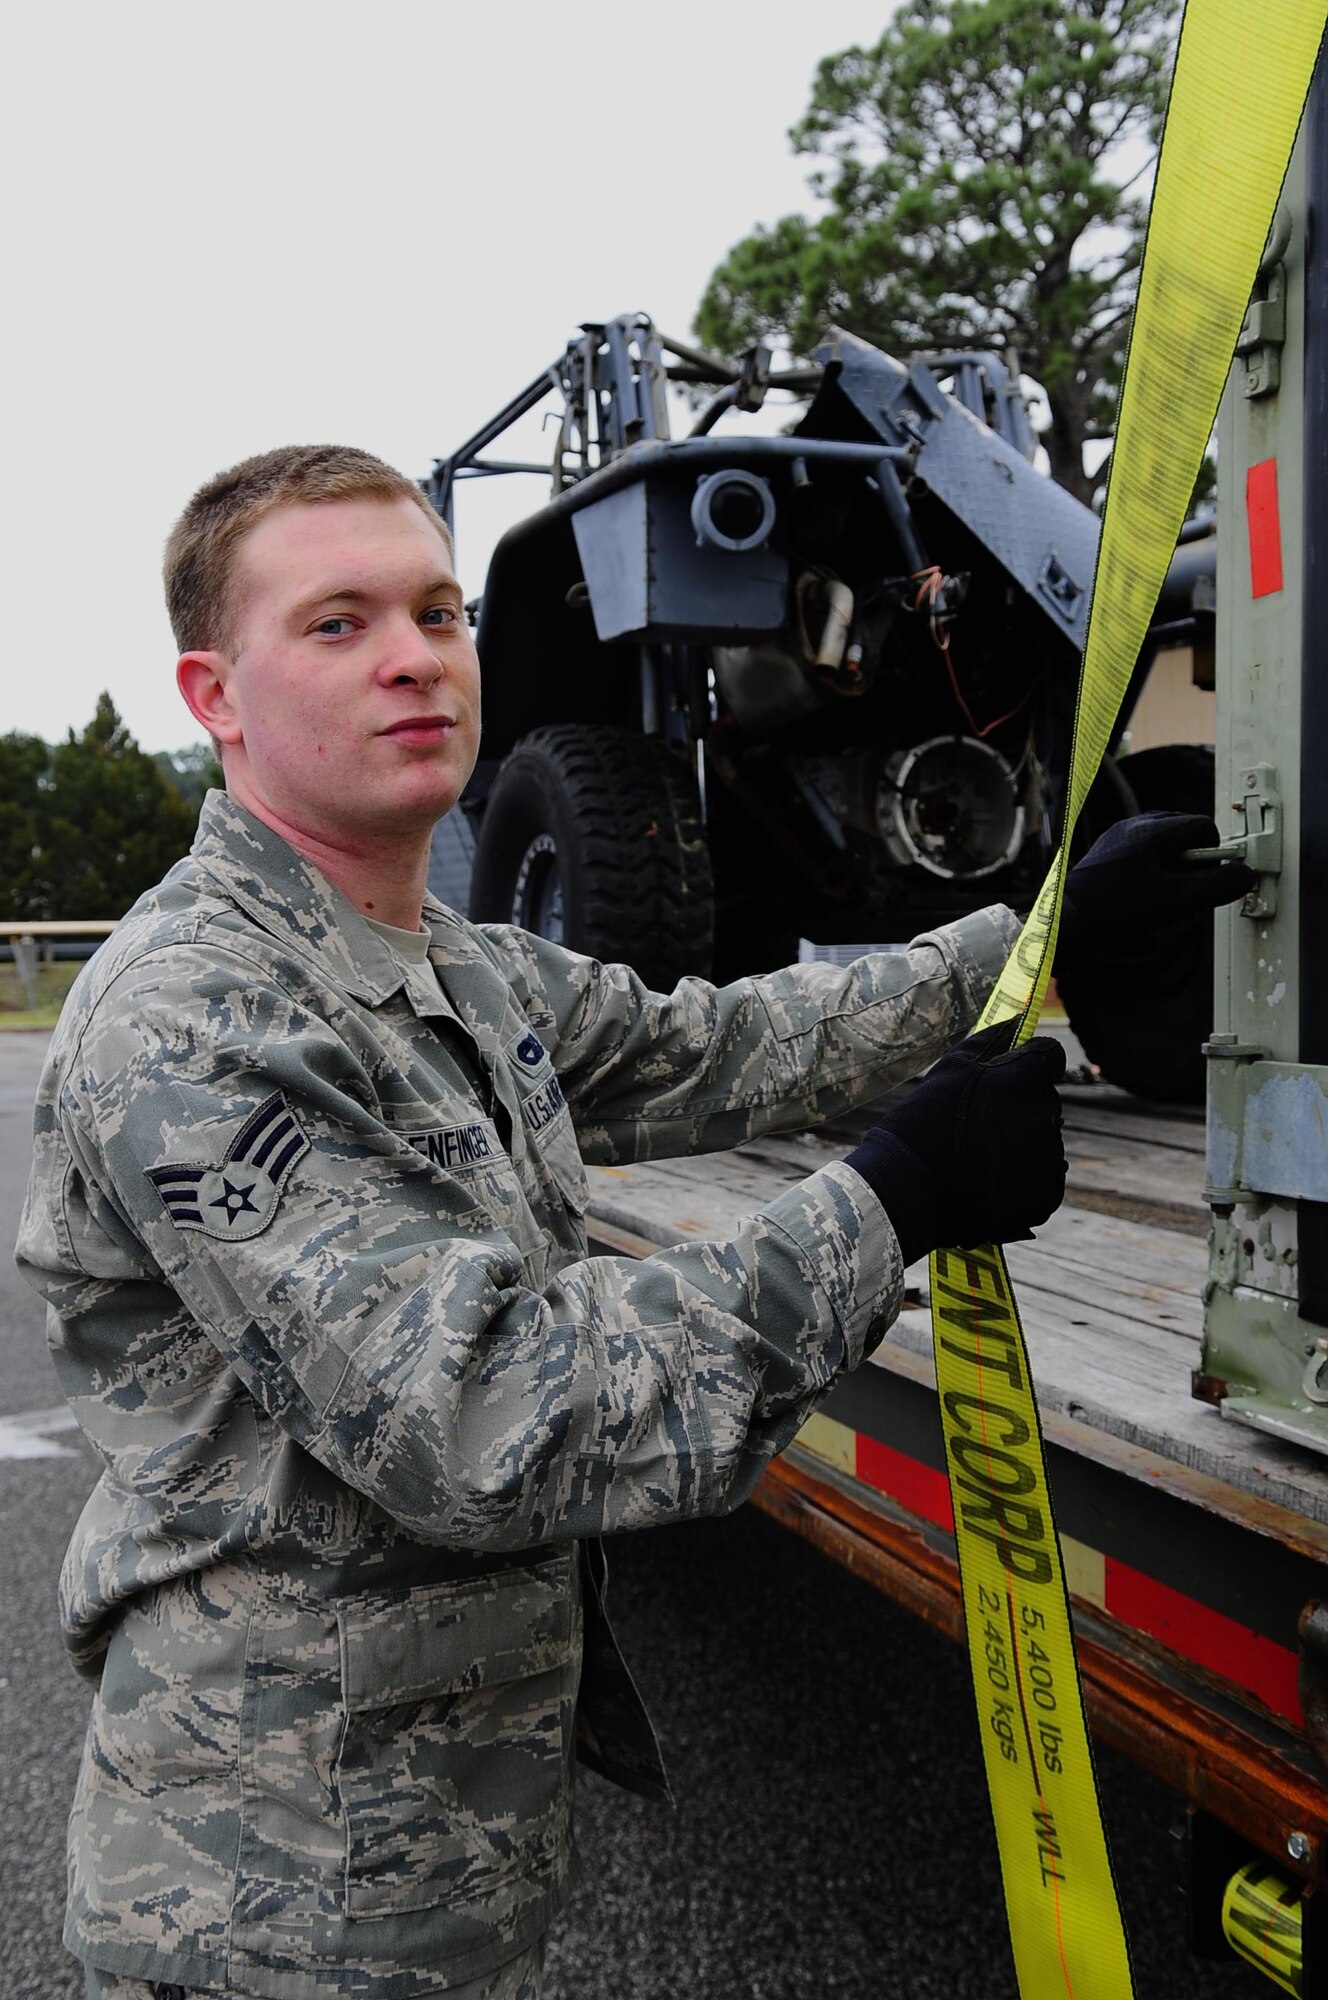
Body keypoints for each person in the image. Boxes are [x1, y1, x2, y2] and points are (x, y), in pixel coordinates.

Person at [16, 446, 1252, 2000]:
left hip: (422, 1856)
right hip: (270, 1896)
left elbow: (715, 1043)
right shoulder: (194, 1017)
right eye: (337, 625)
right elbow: (494, 1411)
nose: (414, 657)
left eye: (438, 611)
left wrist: (1043, 935)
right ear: (215, 695)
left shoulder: (448, 962)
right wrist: (897, 1197)